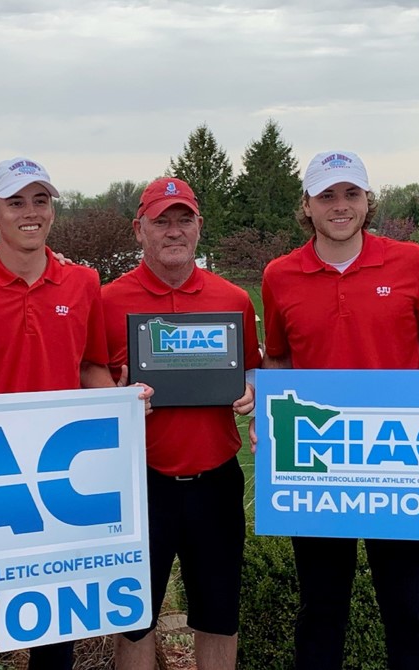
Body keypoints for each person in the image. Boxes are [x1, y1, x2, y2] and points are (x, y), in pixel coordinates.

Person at [0, 157, 146, 669]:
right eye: (16, 202)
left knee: (54, 632)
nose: (31, 213)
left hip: (57, 485)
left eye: (40, 200)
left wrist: (121, 403)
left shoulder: (82, 283)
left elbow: (91, 366)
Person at [260, 151, 419, 670]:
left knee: (408, 608)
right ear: (306, 206)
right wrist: (272, 419)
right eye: (326, 195)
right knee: (321, 608)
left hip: (399, 461)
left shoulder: (412, 262)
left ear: (368, 200)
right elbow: (280, 357)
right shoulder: (280, 276)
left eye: (351, 193)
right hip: (318, 463)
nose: (340, 205)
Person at [101, 177, 259, 670]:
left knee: (218, 618)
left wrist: (254, 391)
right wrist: (114, 399)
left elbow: (251, 370)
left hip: (215, 479)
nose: (173, 231)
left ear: (199, 227)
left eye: (183, 219)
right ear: (139, 229)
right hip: (138, 483)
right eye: (160, 221)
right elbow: (88, 380)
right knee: (134, 621)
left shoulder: (233, 299)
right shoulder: (106, 301)